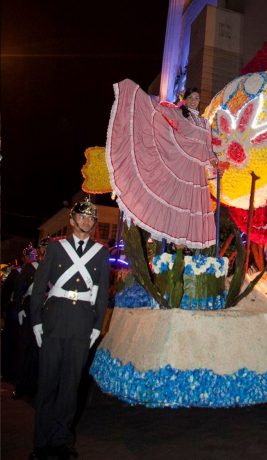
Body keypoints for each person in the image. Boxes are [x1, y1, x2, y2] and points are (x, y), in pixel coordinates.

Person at [29, 199, 110, 460]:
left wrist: (97, 326)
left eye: (91, 218)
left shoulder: (100, 252)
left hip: (81, 325)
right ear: (72, 220)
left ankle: (62, 440)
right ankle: (41, 442)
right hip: (54, 321)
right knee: (48, 383)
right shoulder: (55, 248)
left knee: (70, 385)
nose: (87, 221)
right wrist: (37, 322)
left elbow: (101, 293)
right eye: (82, 216)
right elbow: (39, 287)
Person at [106, 80, 218, 249]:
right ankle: (172, 241)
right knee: (176, 200)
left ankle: (184, 244)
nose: (195, 100)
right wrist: (142, 97)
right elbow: (158, 109)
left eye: (197, 97)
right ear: (186, 100)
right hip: (180, 165)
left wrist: (214, 163)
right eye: (192, 97)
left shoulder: (204, 123)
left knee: (191, 205)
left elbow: (208, 148)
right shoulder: (180, 114)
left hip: (196, 170)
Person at [12, 239, 50, 399]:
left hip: (46, 312)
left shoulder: (53, 269)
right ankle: (21, 386)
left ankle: (36, 386)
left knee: (40, 353)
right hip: (29, 312)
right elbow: (19, 289)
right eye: (43, 249)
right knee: (26, 349)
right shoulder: (30, 268)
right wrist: (19, 309)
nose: (44, 252)